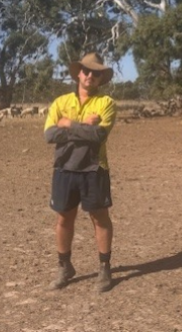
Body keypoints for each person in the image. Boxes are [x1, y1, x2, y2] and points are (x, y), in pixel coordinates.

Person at [44, 53, 117, 292]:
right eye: (87, 71)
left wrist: (69, 125)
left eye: (97, 73)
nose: (91, 76)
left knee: (100, 218)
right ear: (78, 73)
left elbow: (99, 136)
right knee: (64, 218)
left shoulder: (106, 103)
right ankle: (65, 266)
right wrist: (85, 126)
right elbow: (50, 136)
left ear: (100, 78)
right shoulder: (60, 102)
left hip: (94, 169)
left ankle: (104, 268)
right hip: (64, 168)